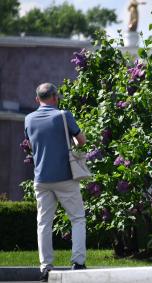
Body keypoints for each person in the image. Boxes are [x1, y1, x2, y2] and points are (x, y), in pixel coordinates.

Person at [24, 83, 87, 282]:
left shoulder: (28, 118)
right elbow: (81, 140)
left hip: (41, 178)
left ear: (37, 99)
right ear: (55, 97)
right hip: (65, 177)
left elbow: (31, 142)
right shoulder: (63, 115)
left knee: (43, 223)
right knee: (77, 218)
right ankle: (78, 263)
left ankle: (45, 268)